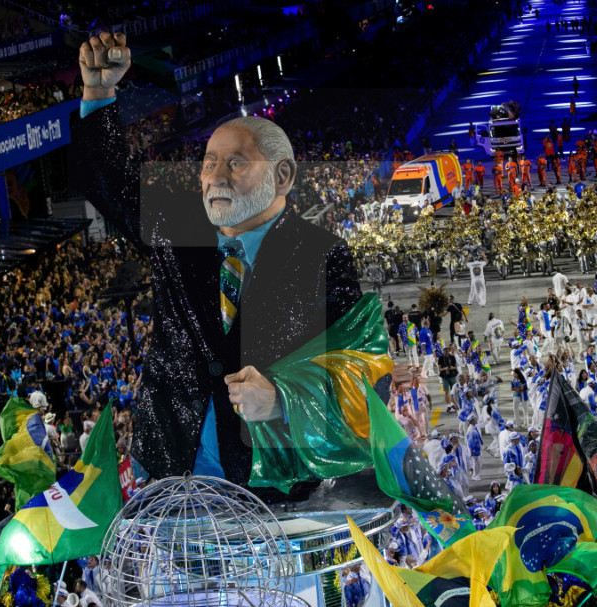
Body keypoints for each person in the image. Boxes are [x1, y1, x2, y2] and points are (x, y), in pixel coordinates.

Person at [73, 33, 388, 495]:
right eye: (209, 163)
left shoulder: (323, 255)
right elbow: (109, 183)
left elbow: (360, 367)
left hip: (272, 485)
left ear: (283, 175)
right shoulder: (175, 228)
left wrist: (283, 400)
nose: (215, 177)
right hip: (175, 469)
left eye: (236, 164)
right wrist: (99, 93)